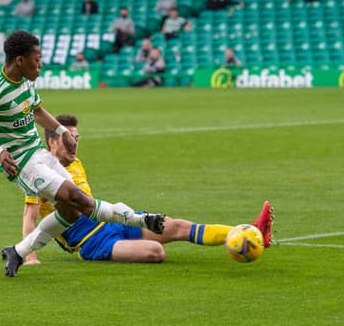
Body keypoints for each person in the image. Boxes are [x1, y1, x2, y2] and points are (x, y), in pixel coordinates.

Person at [0, 30, 165, 277]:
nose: (41, 64)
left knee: (70, 211)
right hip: (20, 163)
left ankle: (17, 251)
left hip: (37, 153)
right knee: (77, 197)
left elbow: (35, 110)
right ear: (19, 60)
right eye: (37, 59)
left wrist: (61, 131)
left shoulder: (25, 82)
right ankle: (142, 220)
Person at [22, 114, 274, 265]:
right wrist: (30, 256)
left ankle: (252, 233)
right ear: (53, 141)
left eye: (76, 138)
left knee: (177, 226)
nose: (74, 142)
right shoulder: (39, 171)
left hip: (114, 220)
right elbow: (29, 216)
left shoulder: (76, 163)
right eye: (69, 138)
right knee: (156, 252)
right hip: (91, 241)